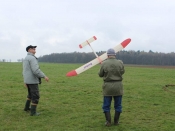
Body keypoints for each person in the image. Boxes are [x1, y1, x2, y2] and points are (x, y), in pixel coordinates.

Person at [98, 48, 125, 126]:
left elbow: (100, 74)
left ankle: (108, 122)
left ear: (107, 55)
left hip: (108, 87)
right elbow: (122, 72)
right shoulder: (120, 62)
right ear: (114, 55)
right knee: (118, 105)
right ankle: (116, 122)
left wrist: (102, 66)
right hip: (118, 87)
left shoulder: (104, 63)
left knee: (106, 105)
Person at [23, 45, 49, 116]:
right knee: (36, 96)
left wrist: (25, 81)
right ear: (28, 50)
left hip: (28, 80)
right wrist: (44, 76)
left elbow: (25, 71)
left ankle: (27, 108)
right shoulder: (32, 58)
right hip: (32, 80)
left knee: (30, 95)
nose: (34, 49)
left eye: (34, 48)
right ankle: (33, 112)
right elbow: (36, 70)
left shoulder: (26, 58)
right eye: (32, 48)